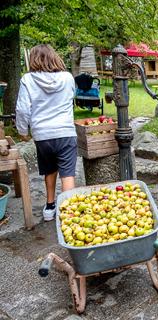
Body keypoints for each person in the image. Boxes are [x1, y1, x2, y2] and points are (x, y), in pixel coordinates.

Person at [15, 44, 77, 222]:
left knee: (49, 169)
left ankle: (50, 207)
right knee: (68, 173)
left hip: (42, 135)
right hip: (65, 132)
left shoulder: (28, 79)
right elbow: (69, 99)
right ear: (54, 57)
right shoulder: (67, 77)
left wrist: (22, 131)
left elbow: (22, 110)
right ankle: (70, 214)